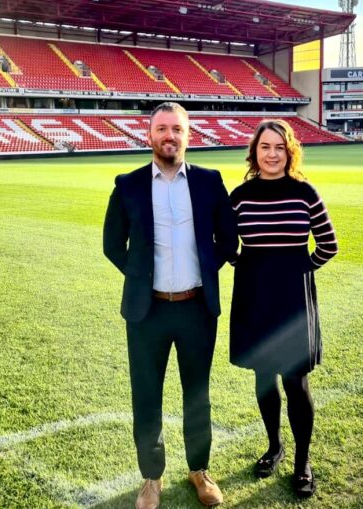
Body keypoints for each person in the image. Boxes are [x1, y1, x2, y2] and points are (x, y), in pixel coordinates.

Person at [103, 102, 237, 509]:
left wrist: (203, 270)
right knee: (147, 395)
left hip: (197, 308)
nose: (169, 136)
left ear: (188, 135)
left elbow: (227, 240)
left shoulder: (210, 182)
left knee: (197, 394)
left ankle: (199, 470)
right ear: (149, 135)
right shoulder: (127, 184)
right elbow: (112, 245)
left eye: (176, 129)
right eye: (161, 128)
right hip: (148, 312)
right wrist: (142, 277)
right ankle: (151, 479)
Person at [228, 119, 338, 498]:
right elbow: (225, 242)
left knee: (295, 381)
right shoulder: (240, 196)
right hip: (255, 297)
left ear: (289, 152)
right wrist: (244, 264)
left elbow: (328, 244)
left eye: (279, 147)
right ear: (254, 153)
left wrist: (301, 268)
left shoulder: (304, 192)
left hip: (292, 299)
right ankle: (274, 447)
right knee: (264, 378)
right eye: (265, 147)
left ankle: (302, 461)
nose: (272, 154)